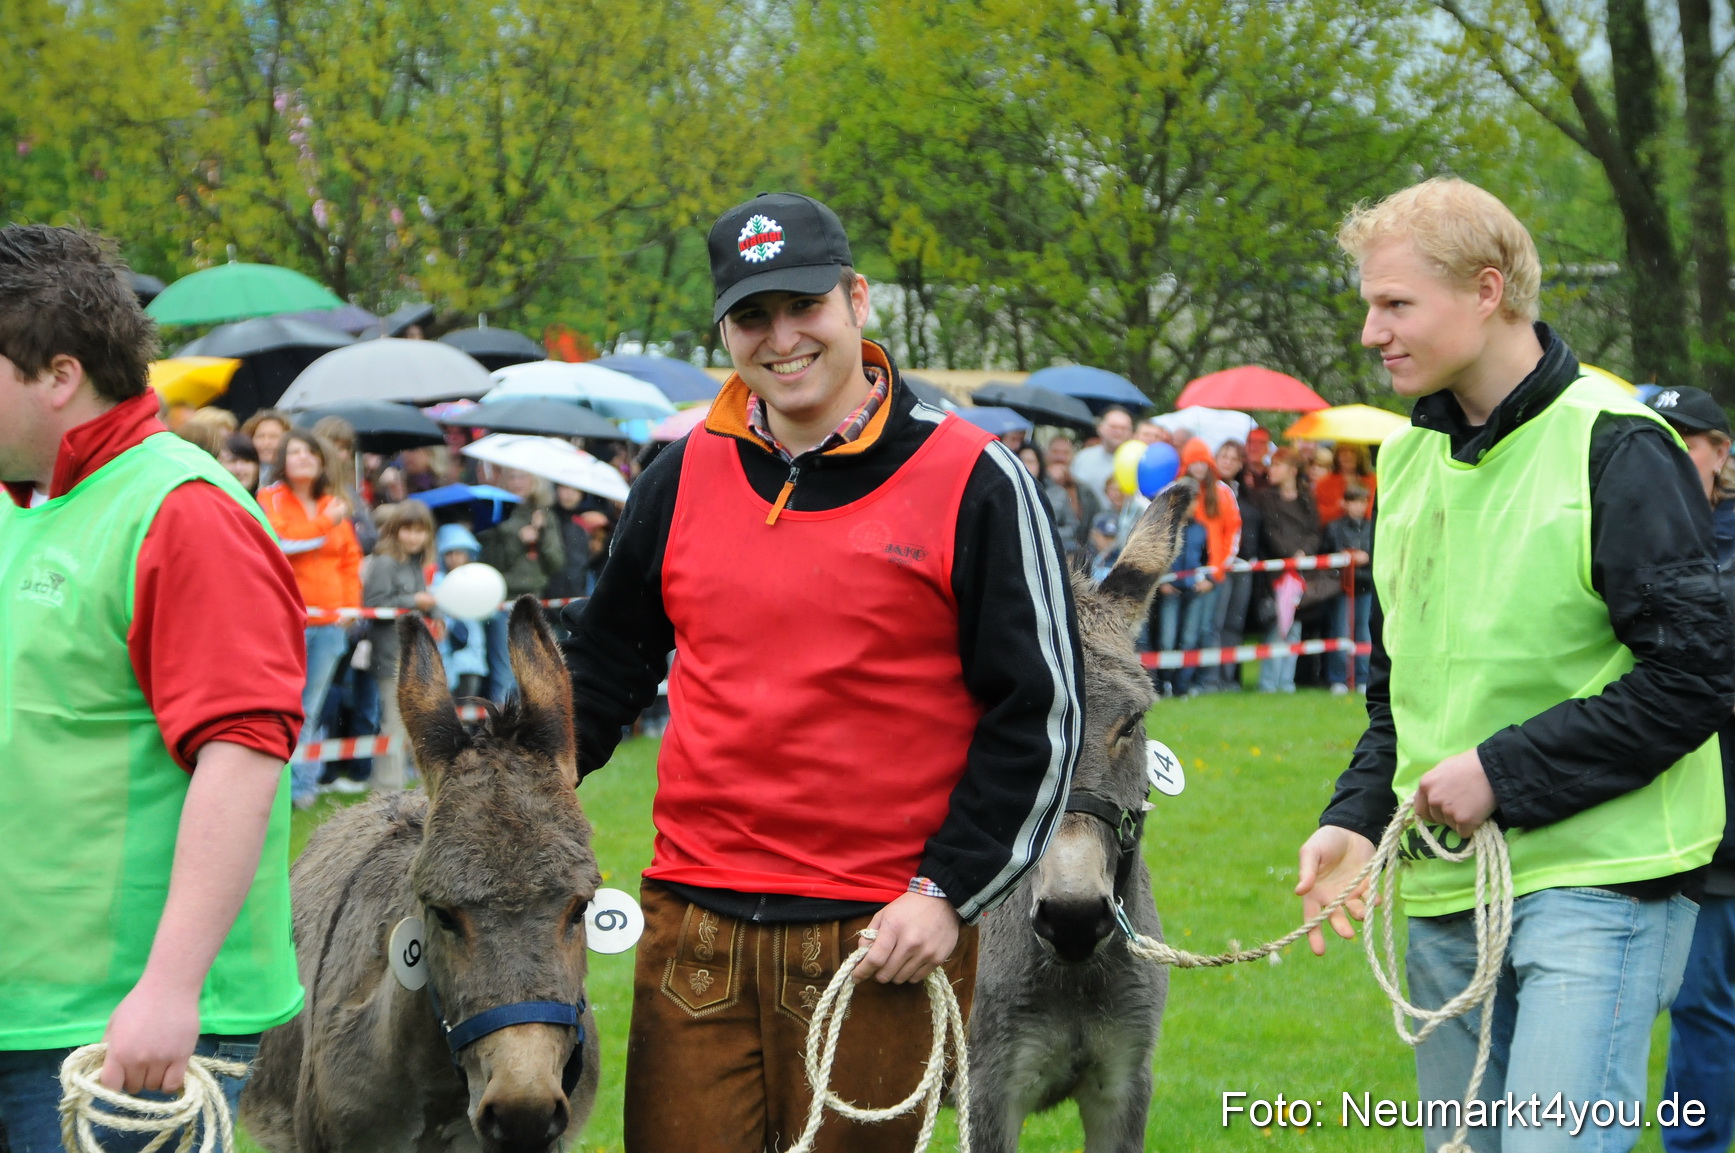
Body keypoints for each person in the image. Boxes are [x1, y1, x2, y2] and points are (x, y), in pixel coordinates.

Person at [560, 191, 1082, 1152]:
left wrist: (946, 892)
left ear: (858, 300)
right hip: (693, 929)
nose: (781, 336)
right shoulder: (679, 472)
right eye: (752, 316)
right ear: (725, 329)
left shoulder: (973, 476)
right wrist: (506, 782)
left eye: (805, 305)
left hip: (880, 936)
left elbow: (1039, 715)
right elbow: (601, 668)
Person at [1295, 178, 1733, 1153]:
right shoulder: (1406, 460)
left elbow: (1695, 677)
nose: (1371, 331)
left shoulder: (1615, 442)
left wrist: (1502, 772)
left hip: (1602, 880)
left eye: (1395, 303)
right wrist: (1355, 816)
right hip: (1449, 882)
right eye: (1370, 303)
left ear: (1487, 290)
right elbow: (1398, 686)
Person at [0, 225, 303, 1149]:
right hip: (30, 1007)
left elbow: (243, 752)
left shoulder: (182, 509)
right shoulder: (35, 503)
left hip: (118, 1029)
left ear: (58, 375)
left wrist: (170, 989)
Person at [1650, 386, 1735, 1153]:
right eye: (1656, 440)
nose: (1670, 457)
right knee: (1701, 1001)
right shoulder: (1642, 536)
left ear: (1719, 451)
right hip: (1695, 829)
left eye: (1686, 441)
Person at [256, 430, 363, 809]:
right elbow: (282, 542)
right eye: (295, 451)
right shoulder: (269, 499)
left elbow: (350, 560)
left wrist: (350, 608)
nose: (302, 458)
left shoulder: (333, 503)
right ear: (283, 460)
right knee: (281, 704)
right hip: (286, 621)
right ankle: (274, 786)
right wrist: (324, 523)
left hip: (331, 624)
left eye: (310, 452)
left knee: (312, 706)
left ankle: (302, 788)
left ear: (321, 460)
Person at [360, 500, 436, 791]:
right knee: (392, 722)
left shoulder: (415, 564)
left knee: (408, 722)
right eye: (408, 529)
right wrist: (413, 601)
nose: (414, 537)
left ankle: (400, 781)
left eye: (420, 531)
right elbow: (374, 604)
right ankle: (388, 788)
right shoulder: (384, 561)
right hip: (389, 655)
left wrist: (432, 611)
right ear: (395, 530)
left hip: (413, 655)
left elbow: (418, 603)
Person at [477, 467, 563, 699]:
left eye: (523, 476)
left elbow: (555, 562)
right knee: (505, 673)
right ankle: (502, 731)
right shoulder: (497, 512)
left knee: (534, 670)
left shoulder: (544, 515)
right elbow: (490, 563)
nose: (517, 482)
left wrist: (541, 533)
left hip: (535, 599)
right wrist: (517, 539)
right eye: (511, 476)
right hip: (503, 601)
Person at [1169, 437, 1241, 696]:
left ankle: (1200, 682)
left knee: (1203, 631)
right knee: (1173, 634)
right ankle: (1172, 683)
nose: (1198, 467)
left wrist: (1216, 573)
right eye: (1193, 462)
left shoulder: (1222, 492)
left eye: (1203, 462)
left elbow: (1232, 533)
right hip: (1177, 578)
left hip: (1210, 576)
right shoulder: (1175, 489)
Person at [1251, 447, 1324, 693]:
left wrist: (1304, 553)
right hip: (1277, 570)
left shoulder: (1306, 498)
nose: (1272, 469)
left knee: (1295, 627)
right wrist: (1291, 556)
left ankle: (1286, 682)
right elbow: (1271, 532)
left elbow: (1314, 530)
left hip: (1302, 571)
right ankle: (1269, 683)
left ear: (1292, 470)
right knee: (1277, 625)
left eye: (1277, 465)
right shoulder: (1266, 498)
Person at [1212, 438, 1258, 690]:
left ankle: (1229, 678)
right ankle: (1212, 677)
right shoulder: (1209, 490)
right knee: (1215, 624)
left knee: (1234, 623)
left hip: (1243, 567)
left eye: (1234, 458)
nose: (1228, 462)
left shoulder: (1246, 491)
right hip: (1219, 567)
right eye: (1224, 457)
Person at [1321, 485, 1373, 694]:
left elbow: (1379, 551)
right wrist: (1344, 557)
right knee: (1341, 631)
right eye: (1354, 502)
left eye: (1362, 502)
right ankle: (1338, 678)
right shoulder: (1334, 527)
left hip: (1366, 585)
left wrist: (1367, 557)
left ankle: (1363, 677)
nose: (1358, 507)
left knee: (1364, 633)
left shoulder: (1373, 527)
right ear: (1345, 503)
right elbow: (1327, 554)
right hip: (1342, 586)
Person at [434, 523, 490, 700]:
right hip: (444, 654)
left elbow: (490, 611)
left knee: (469, 706)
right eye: (449, 553)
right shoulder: (437, 580)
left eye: (459, 552)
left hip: (471, 655)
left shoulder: (479, 579)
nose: (454, 558)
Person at [1042, 433, 1100, 559]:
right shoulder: (1037, 484)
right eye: (1055, 451)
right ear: (1046, 455)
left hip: (1078, 557)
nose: (1060, 457)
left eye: (1066, 453)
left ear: (1073, 457)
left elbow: (1095, 521)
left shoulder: (1084, 490)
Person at [1070, 405, 1133, 498]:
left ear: (1131, 432)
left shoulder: (1139, 460)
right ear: (1100, 428)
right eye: (1113, 427)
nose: (1118, 432)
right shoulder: (1083, 457)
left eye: (1123, 428)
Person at [1314, 442, 1377, 524]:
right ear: (1337, 455)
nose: (1348, 455)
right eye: (1343, 451)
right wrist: (1338, 508)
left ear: (1360, 455)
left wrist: (1359, 508)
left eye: (1353, 451)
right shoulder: (1323, 483)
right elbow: (1317, 516)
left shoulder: (1374, 481)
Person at [240, 408, 290, 486]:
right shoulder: (241, 472)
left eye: (273, 437)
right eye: (260, 436)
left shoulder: (294, 475)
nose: (266, 443)